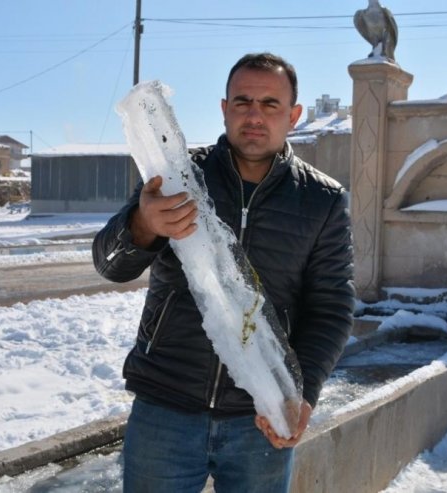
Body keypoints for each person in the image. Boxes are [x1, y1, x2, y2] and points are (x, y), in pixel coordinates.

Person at [93, 52, 354, 492]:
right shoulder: (175, 174)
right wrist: (142, 225)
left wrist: (300, 395)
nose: (254, 115)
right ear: (224, 108)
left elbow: (331, 308)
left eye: (270, 104)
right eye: (242, 101)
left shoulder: (322, 200)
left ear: (293, 115)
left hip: (259, 416)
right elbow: (109, 264)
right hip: (166, 408)